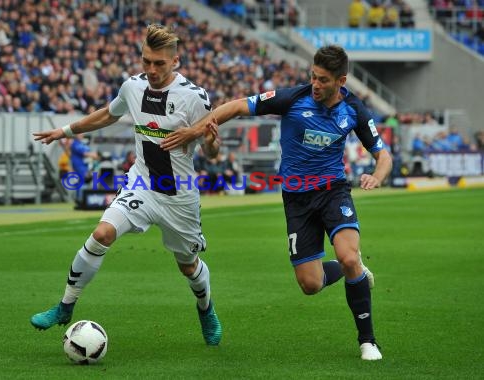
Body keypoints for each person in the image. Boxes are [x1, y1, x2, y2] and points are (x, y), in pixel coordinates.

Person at [161, 45, 392, 360]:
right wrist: (196, 131)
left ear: (341, 81)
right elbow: (238, 106)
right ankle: (350, 269)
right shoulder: (293, 99)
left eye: (323, 79)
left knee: (349, 256)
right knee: (311, 284)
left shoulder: (355, 110)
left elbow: (383, 155)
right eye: (313, 76)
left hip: (333, 191)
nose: (316, 84)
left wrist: (377, 176)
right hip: (296, 200)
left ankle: (368, 341)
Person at [30, 24, 222, 346]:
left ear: (175, 61)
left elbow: (211, 152)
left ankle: (206, 308)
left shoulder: (194, 98)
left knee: (188, 267)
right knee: (101, 234)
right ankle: (65, 306)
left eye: (159, 63)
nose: (151, 69)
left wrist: (212, 141)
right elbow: (107, 115)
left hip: (179, 196)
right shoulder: (132, 87)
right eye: (146, 61)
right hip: (142, 184)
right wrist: (64, 131)